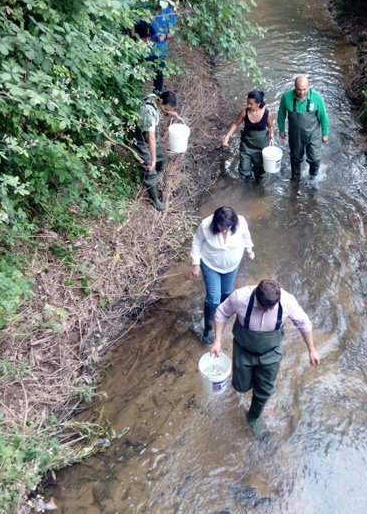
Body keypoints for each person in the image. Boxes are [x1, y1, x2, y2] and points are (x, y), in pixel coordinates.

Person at [211, 279, 320, 434]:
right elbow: (221, 313)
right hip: (243, 350)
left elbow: (304, 323)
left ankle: (253, 417)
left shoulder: (287, 302)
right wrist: (217, 341)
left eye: (272, 307)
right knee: (240, 387)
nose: (268, 311)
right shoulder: (240, 297)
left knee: (264, 390)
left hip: (271, 353)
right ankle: (246, 384)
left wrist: (312, 349)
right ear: (256, 297)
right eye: (264, 307)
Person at [190, 206, 254, 344]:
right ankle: (208, 328)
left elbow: (246, 236)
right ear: (216, 223)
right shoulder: (206, 225)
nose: (225, 230)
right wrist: (196, 263)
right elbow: (196, 242)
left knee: (226, 293)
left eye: (228, 227)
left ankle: (219, 316)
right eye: (221, 227)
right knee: (213, 299)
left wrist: (249, 250)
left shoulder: (240, 222)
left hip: (232, 266)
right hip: (210, 265)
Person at [277, 74, 329, 180]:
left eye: (304, 89)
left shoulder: (317, 98)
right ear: (294, 87)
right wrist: (281, 129)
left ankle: (313, 177)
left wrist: (325, 133)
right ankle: (295, 178)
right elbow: (281, 113)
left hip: (313, 134)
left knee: (315, 159)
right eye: (299, 89)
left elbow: (323, 116)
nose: (301, 92)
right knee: (295, 158)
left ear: (308, 87)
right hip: (295, 135)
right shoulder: (286, 97)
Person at [133, 90, 178, 211]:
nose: (167, 110)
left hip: (148, 134)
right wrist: (152, 160)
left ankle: (155, 177)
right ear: (162, 101)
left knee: (161, 156)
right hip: (140, 138)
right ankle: (155, 199)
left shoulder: (155, 98)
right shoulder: (148, 112)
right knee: (149, 166)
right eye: (167, 107)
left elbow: (160, 107)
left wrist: (170, 113)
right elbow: (151, 138)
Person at [221, 89, 275, 181]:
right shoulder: (244, 113)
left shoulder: (267, 113)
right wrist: (227, 136)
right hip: (246, 147)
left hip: (261, 148)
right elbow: (236, 124)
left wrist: (271, 136)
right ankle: (248, 185)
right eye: (247, 103)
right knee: (244, 169)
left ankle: (258, 185)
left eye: (251, 104)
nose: (248, 106)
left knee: (259, 170)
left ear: (258, 103)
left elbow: (270, 127)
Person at [147, 0, 177, 93]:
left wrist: (165, 35)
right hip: (143, 48)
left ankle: (156, 98)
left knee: (158, 78)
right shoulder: (147, 8)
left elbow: (172, 33)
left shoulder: (168, 12)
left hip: (160, 50)